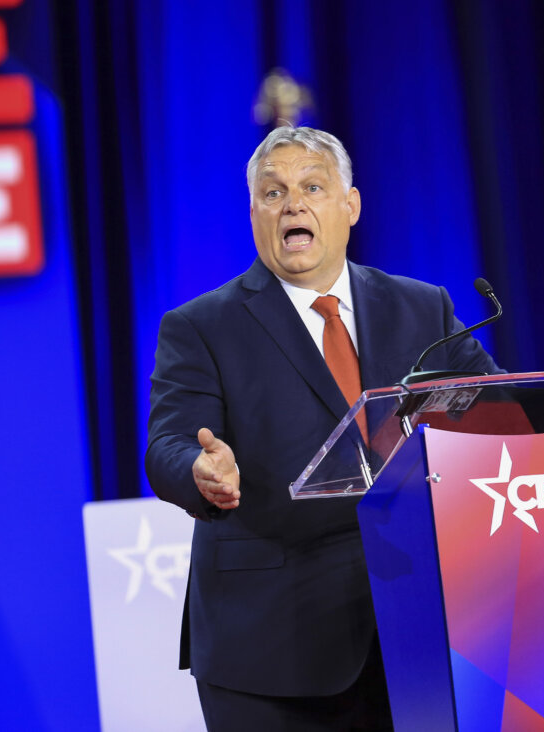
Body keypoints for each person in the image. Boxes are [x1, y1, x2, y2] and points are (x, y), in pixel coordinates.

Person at [145, 125, 500, 731]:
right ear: (254, 212)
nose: (294, 204)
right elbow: (168, 445)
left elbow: (499, 413)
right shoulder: (201, 325)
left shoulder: (423, 306)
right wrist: (200, 472)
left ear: (351, 205)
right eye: (274, 192)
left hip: (417, 633)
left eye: (312, 186)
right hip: (268, 651)